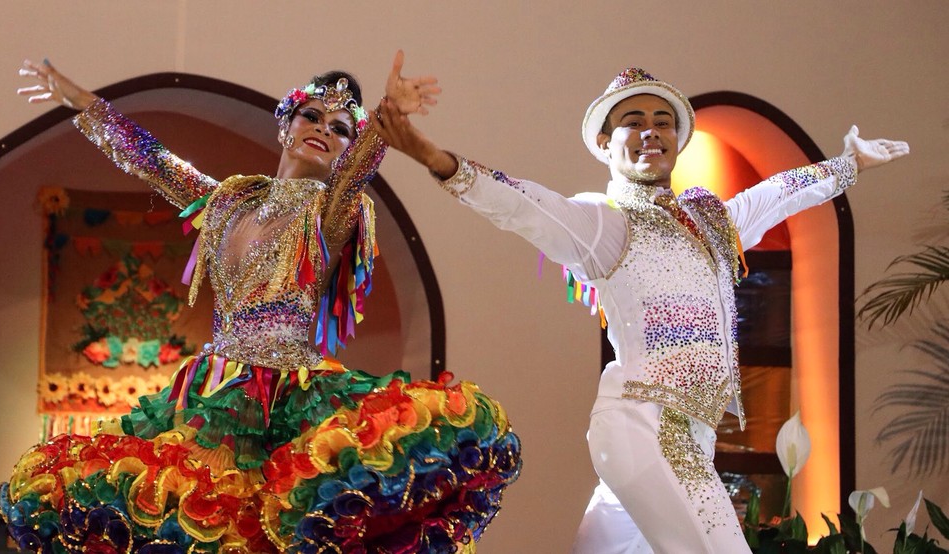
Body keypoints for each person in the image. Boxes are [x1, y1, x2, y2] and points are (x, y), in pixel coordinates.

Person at [0, 54, 521, 554]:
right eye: (313, 116)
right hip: (210, 392)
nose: (324, 129)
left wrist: (385, 118)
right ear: (286, 125)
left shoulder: (334, 211)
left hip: (290, 399)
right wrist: (81, 104)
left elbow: (359, 170)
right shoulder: (229, 200)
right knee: (194, 523)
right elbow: (150, 159)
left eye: (341, 128)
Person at [374, 67, 909, 553]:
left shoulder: (712, 221)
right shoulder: (603, 222)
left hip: (691, 437)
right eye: (634, 121)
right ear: (606, 144)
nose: (652, 131)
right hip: (646, 426)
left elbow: (777, 195)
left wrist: (848, 164)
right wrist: (432, 156)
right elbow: (523, 205)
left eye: (663, 121)